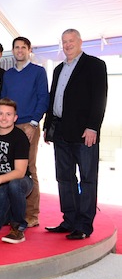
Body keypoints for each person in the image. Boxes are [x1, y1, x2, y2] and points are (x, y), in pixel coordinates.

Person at [43, 29, 108, 240]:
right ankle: (69, 220)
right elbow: (54, 98)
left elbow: (100, 98)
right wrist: (48, 126)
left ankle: (84, 225)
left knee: (88, 179)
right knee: (64, 178)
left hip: (84, 133)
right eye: (64, 42)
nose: (67, 45)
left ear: (80, 42)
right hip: (60, 131)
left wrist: (93, 127)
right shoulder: (59, 68)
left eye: (71, 41)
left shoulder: (95, 65)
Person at [1, 36, 49, 228]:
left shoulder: (38, 72)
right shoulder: (9, 74)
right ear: (12, 50)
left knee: (29, 168)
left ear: (29, 50)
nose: (19, 50)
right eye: (16, 47)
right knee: (8, 169)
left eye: (23, 47)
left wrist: (33, 124)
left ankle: (31, 215)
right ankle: (11, 213)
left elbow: (43, 98)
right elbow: (4, 100)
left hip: (29, 125)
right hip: (8, 126)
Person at [0, 98, 33, 243]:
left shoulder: (20, 138)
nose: (4, 118)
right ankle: (9, 208)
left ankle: (18, 228)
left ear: (15, 118)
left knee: (14, 185)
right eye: (1, 114)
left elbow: (20, 172)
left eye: (8, 114)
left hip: (21, 182)